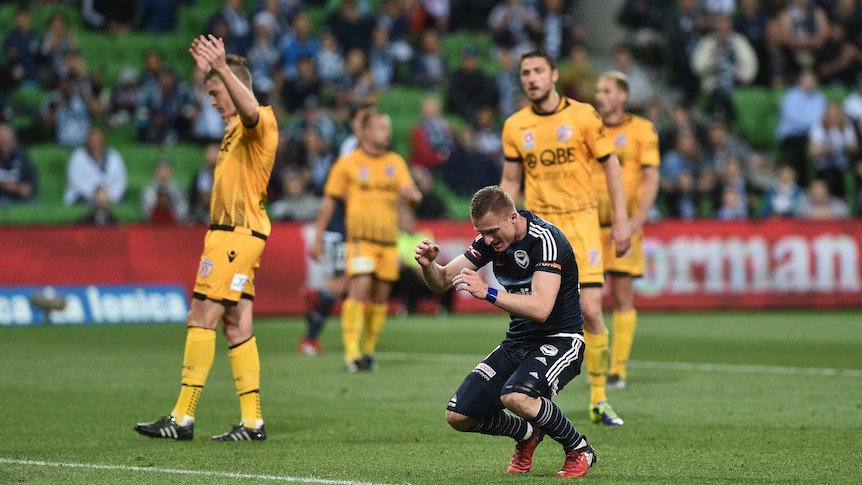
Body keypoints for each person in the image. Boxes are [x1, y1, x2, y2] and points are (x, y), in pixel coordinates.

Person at [134, 35, 278, 441]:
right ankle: (253, 422)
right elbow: (237, 108)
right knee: (236, 326)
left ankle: (182, 418)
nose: (212, 100)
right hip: (241, 236)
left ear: (236, 85)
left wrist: (224, 72)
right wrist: (211, 71)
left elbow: (248, 107)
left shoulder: (258, 120)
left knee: (201, 317)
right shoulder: (233, 130)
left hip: (233, 237)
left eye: (215, 92)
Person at [414, 185, 597, 478]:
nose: (487, 240)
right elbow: (443, 280)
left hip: (561, 340)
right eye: (481, 233)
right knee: (458, 415)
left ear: (513, 217)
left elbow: (541, 308)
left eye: (492, 231)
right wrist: (429, 267)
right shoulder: (490, 240)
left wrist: (487, 292)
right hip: (519, 342)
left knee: (516, 397)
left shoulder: (547, 241)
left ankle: (579, 448)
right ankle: (526, 434)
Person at [499, 48, 631, 427]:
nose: (531, 78)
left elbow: (611, 167)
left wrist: (620, 220)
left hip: (583, 225)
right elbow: (510, 181)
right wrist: (500, 226)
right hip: (540, 231)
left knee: (590, 311)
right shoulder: (514, 126)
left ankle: (599, 400)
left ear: (554, 75)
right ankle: (529, 392)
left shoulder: (584, 115)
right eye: (525, 72)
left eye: (538, 70)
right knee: (538, 317)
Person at [310, 110, 421, 372]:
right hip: (361, 240)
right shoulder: (347, 164)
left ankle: (368, 351)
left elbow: (412, 196)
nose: (388, 132)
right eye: (382, 127)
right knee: (358, 290)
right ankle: (351, 353)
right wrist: (317, 238)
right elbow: (329, 202)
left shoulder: (395, 162)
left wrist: (412, 195)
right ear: (367, 132)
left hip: (387, 241)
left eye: (388, 127)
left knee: (381, 298)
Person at [592, 71, 659, 391]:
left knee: (621, 295)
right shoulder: (589, 127)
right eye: (597, 90)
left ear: (622, 96)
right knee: (583, 301)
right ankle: (592, 362)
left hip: (621, 225)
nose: (600, 95)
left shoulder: (642, 130)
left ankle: (617, 369)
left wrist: (636, 222)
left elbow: (651, 178)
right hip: (588, 226)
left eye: (606, 90)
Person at [298, 102, 375, 356]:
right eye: (363, 119)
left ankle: (349, 338)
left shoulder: (370, 151)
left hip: (358, 227)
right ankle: (310, 335)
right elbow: (338, 192)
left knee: (356, 283)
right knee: (340, 283)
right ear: (354, 123)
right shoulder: (351, 150)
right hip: (340, 226)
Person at [63, 126, 127, 206]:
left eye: (98, 141)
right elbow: (76, 182)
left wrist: (109, 196)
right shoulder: (78, 157)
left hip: (110, 196)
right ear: (87, 142)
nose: (95, 144)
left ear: (103, 141)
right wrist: (97, 195)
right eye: (92, 141)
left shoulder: (114, 156)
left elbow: (120, 181)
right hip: (84, 196)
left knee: (124, 202)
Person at [0, 122, 38, 203]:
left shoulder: (21, 155)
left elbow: (33, 179)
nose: (4, 140)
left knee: (38, 203)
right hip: (2, 196)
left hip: (20, 196)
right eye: (2, 137)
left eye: (7, 137)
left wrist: (27, 187)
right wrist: (3, 187)